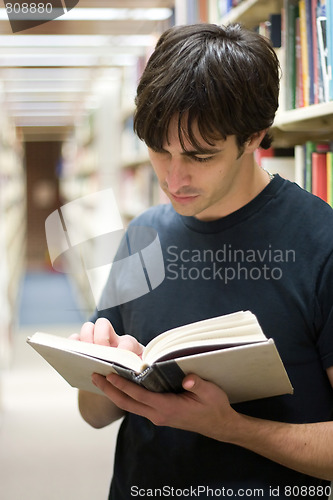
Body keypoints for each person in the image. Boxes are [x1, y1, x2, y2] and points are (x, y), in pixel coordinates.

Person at [74, 23, 333, 499]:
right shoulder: (142, 235)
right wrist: (103, 372)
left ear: (254, 138)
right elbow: (93, 417)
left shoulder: (322, 243)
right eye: (158, 150)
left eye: (200, 155)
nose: (173, 178)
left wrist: (233, 427)